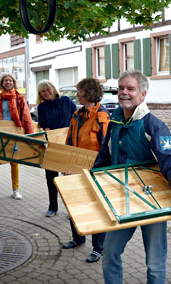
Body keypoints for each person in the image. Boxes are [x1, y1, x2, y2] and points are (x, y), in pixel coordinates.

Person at [93, 70, 171, 284]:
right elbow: (104, 158)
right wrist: (92, 184)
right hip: (122, 200)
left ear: (142, 94)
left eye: (130, 89)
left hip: (152, 202)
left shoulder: (154, 125)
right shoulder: (115, 122)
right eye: (121, 88)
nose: (124, 93)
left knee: (155, 262)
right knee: (110, 254)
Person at [62, 78, 110, 263]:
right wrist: (67, 165)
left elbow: (105, 148)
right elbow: (69, 141)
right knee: (73, 203)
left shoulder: (101, 117)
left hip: (94, 172)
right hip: (74, 169)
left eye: (80, 91)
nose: (77, 95)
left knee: (96, 208)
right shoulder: (76, 114)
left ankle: (99, 248)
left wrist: (97, 171)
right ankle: (77, 238)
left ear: (88, 93)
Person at [0, 74, 34, 201]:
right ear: (2, 83)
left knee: (14, 162)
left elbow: (26, 116)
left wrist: (29, 133)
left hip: (15, 131)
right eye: (6, 80)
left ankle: (16, 190)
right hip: (0, 131)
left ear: (13, 82)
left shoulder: (19, 97)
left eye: (10, 80)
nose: (8, 82)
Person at [36, 80, 77, 217]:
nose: (46, 93)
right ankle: (53, 207)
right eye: (43, 91)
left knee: (69, 177)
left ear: (53, 89)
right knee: (51, 177)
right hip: (53, 144)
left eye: (48, 89)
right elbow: (45, 127)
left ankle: (72, 209)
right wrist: (54, 140)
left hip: (69, 143)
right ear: (40, 94)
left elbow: (76, 117)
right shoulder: (42, 108)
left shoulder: (65, 100)